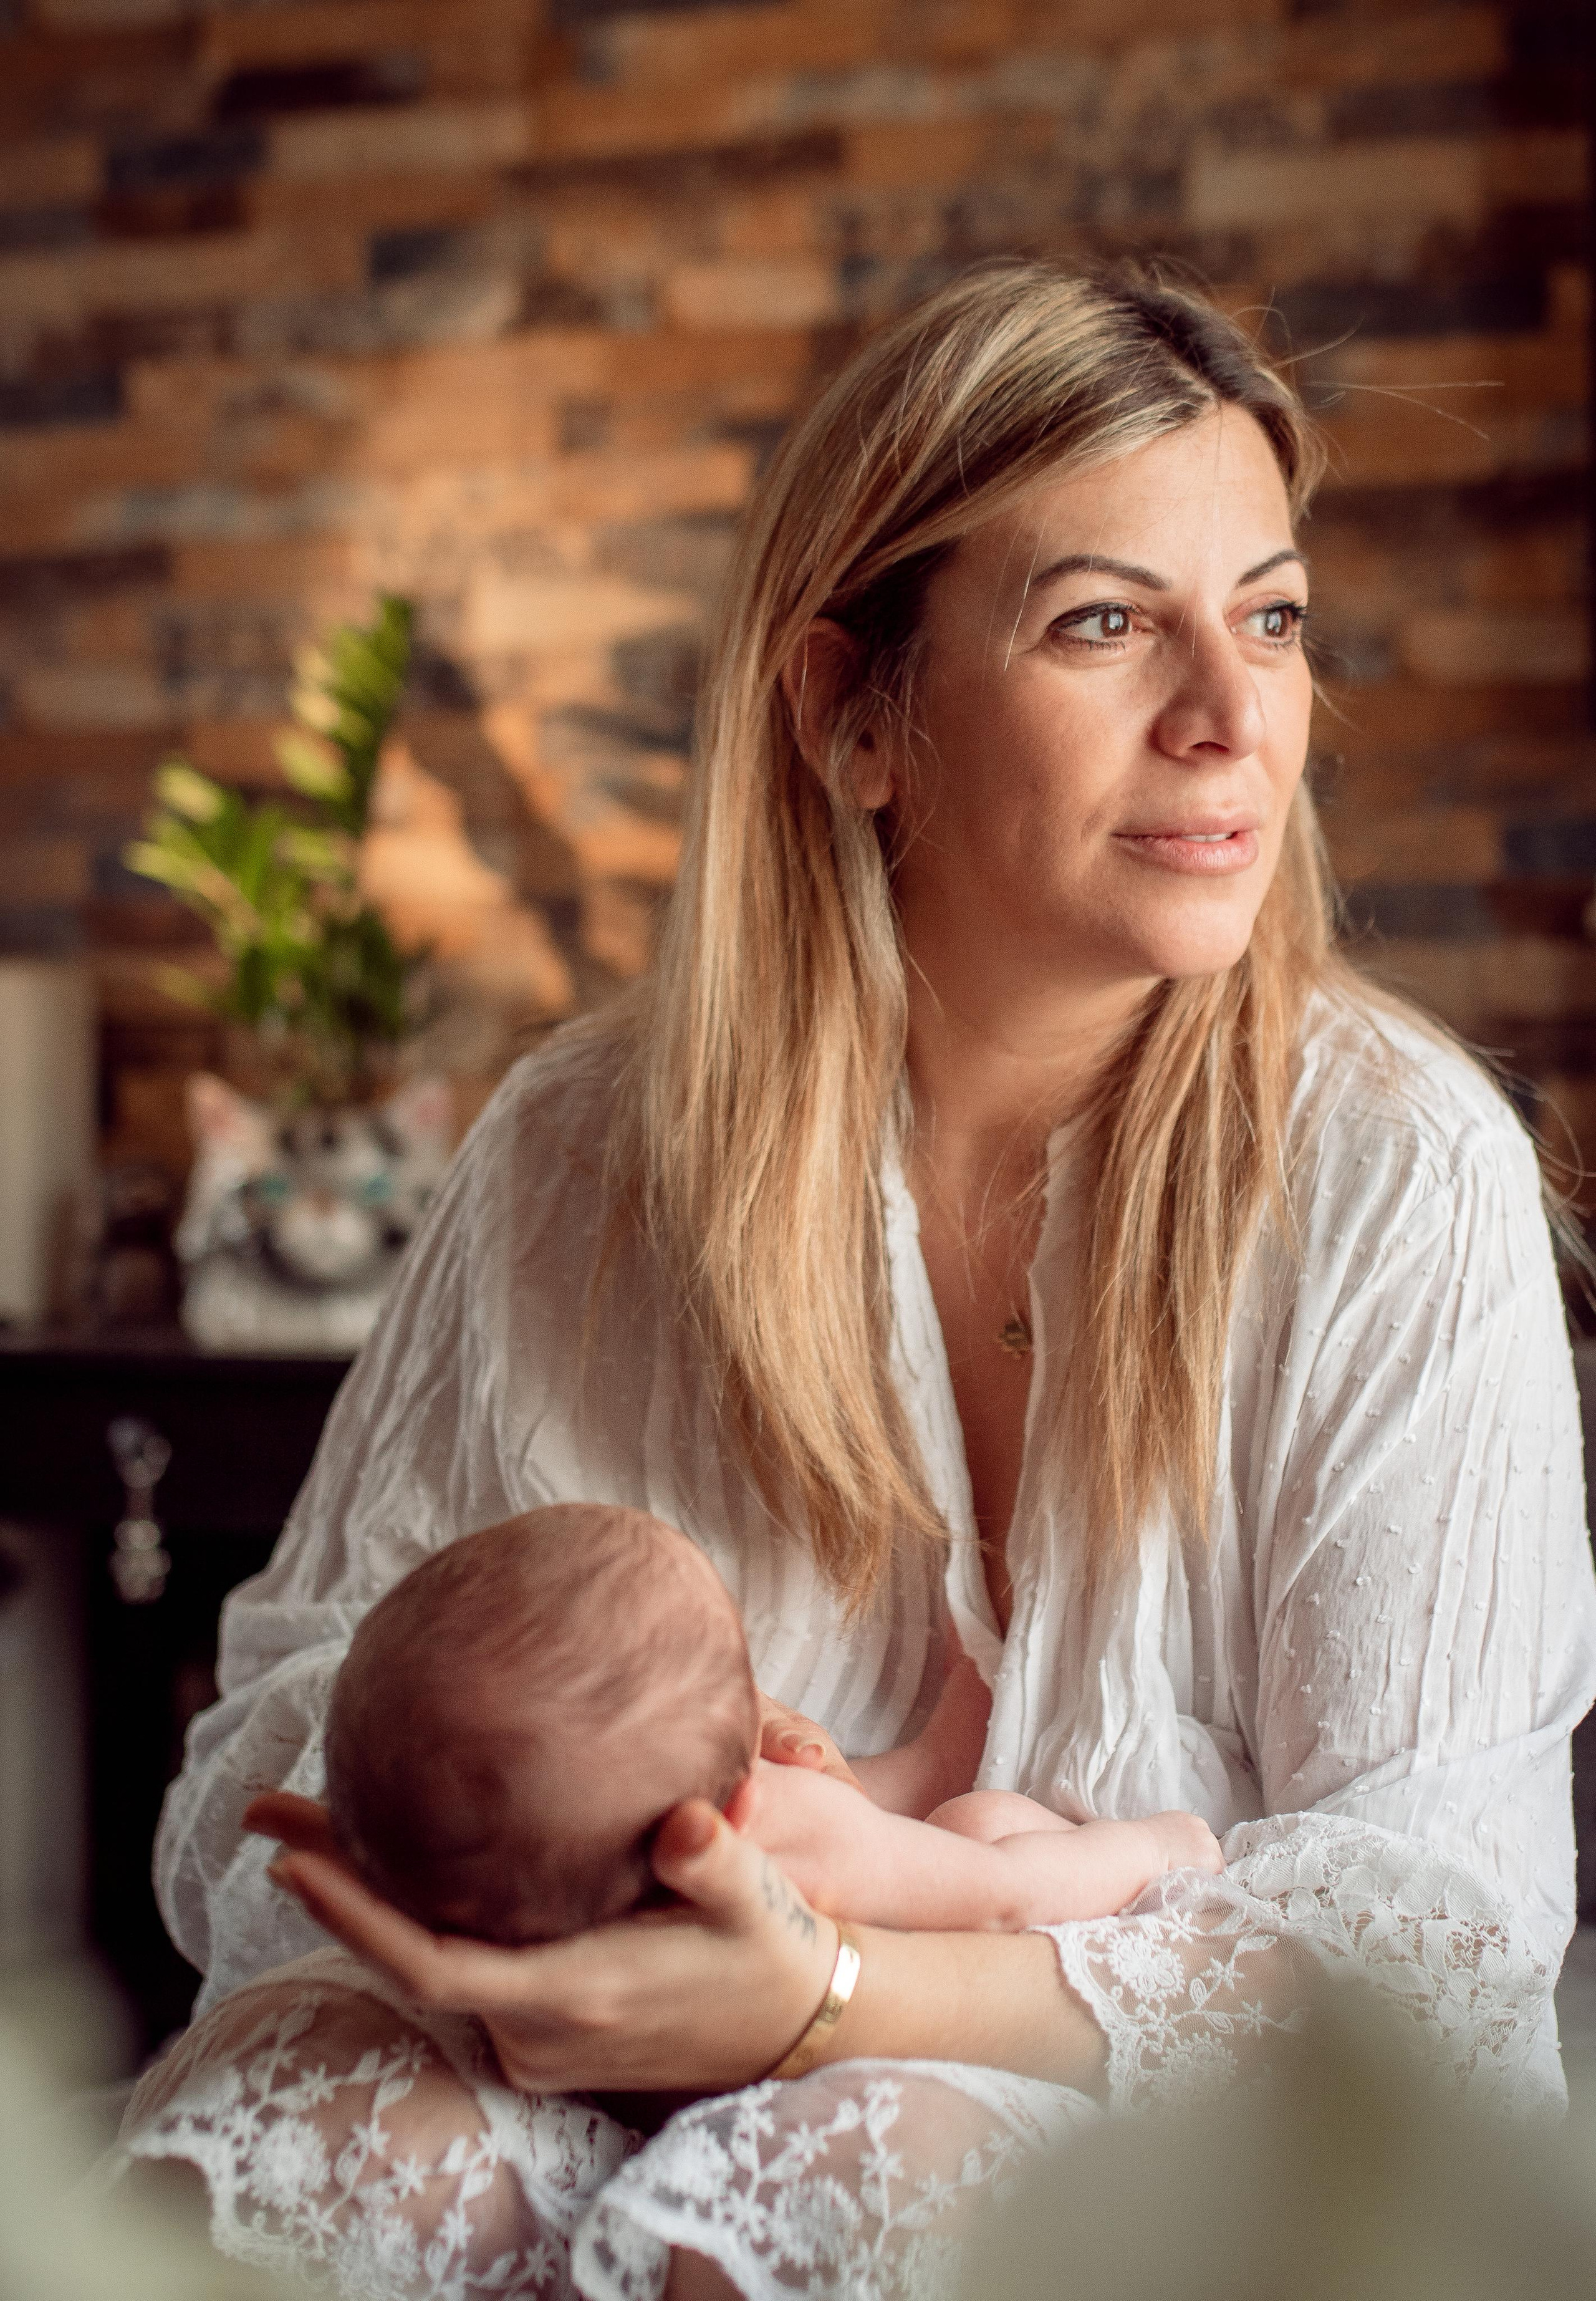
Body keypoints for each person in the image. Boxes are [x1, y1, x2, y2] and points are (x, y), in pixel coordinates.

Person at [118, 259, 1596, 2301]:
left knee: (858, 2166)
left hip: (1154, 2109)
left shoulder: (1403, 1176)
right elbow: (287, 1724)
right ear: (851, 713)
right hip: (570, 2024)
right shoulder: (573, 1154)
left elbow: (1431, 1952)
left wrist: (825, 1989)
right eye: (1107, 621)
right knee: (352, 2160)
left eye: (1271, 616)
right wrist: (558, 1906)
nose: (1234, 714)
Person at [323, 1507, 1223, 1944]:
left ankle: (944, 1756)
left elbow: (859, 1809)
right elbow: (999, 1896)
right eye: (735, 1665)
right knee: (981, 1829)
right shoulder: (785, 1835)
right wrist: (1157, 1847)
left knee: (894, 1806)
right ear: (739, 1805)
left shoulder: (520, 1897)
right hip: (872, 2019)